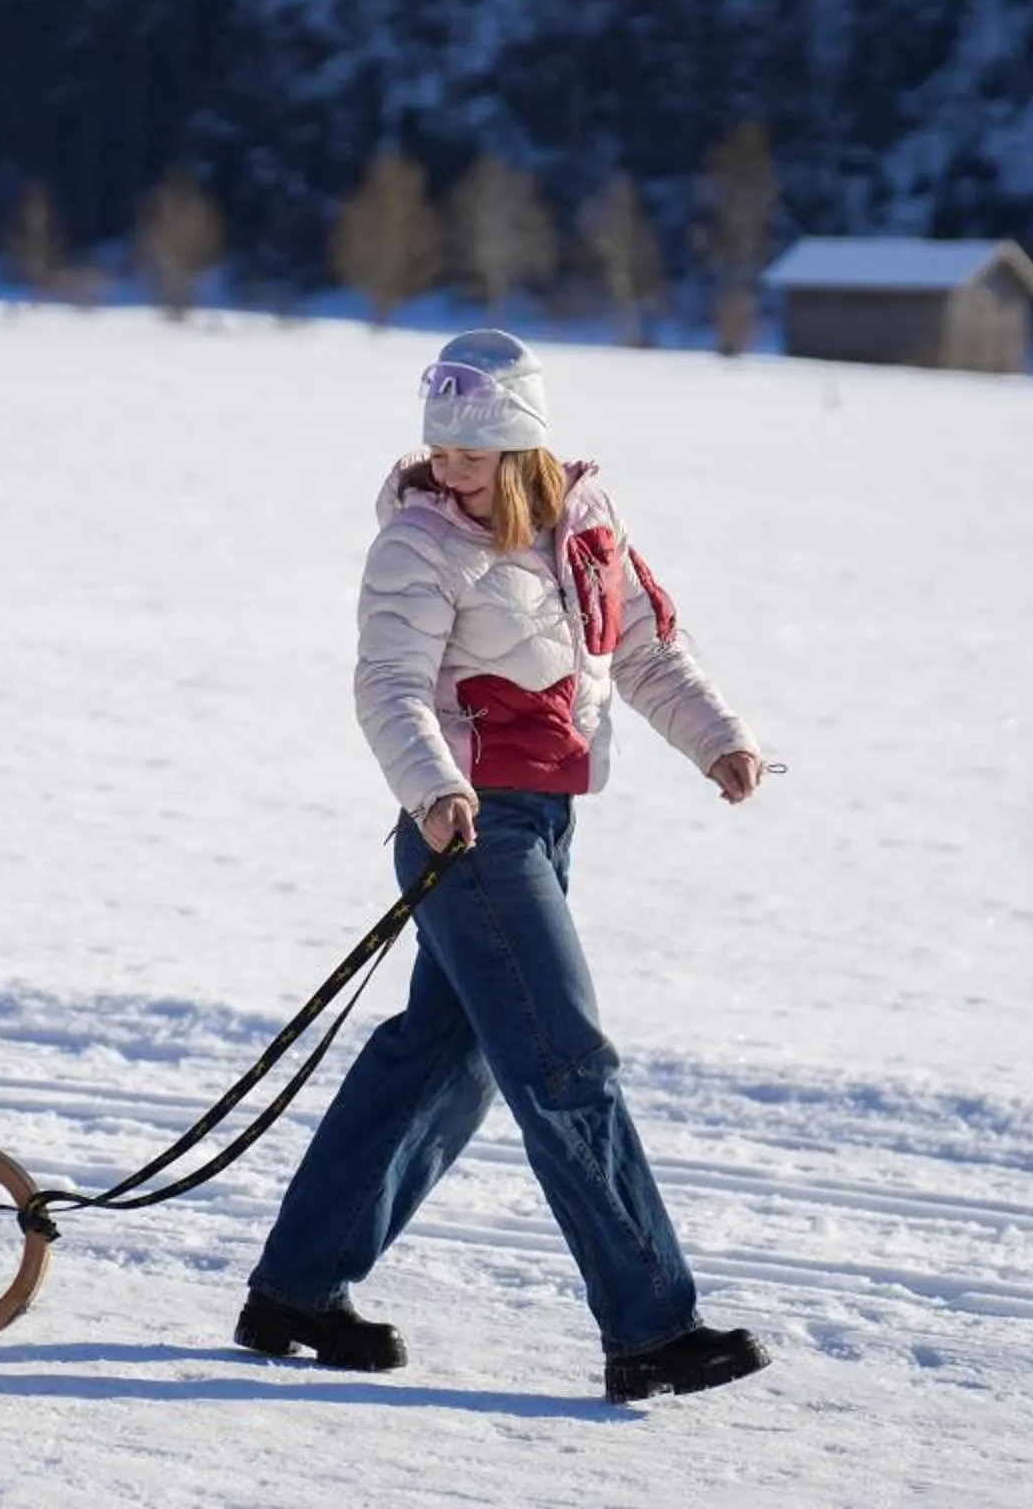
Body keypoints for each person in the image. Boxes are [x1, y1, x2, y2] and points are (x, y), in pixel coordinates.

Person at [236, 329, 775, 1403]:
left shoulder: (586, 524)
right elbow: (388, 686)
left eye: (472, 449)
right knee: (564, 1060)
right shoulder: (419, 544)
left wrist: (718, 735)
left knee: (439, 1057)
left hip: (546, 821)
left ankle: (296, 1289)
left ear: (525, 443)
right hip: (471, 830)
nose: (448, 465)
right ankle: (652, 1324)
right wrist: (433, 791)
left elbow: (648, 649)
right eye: (438, 444)